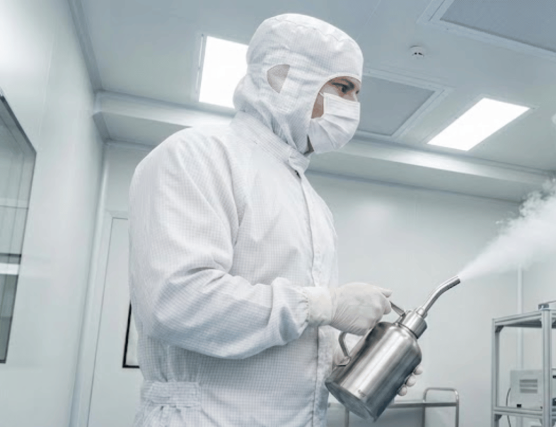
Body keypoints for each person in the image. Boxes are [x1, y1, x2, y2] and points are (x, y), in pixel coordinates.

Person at [128, 14, 418, 426]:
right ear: (287, 79)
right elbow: (177, 301)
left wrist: (345, 360)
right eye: (342, 87)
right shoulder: (198, 154)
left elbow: (285, 334)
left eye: (356, 92)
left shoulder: (312, 203)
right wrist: (327, 303)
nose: (353, 106)